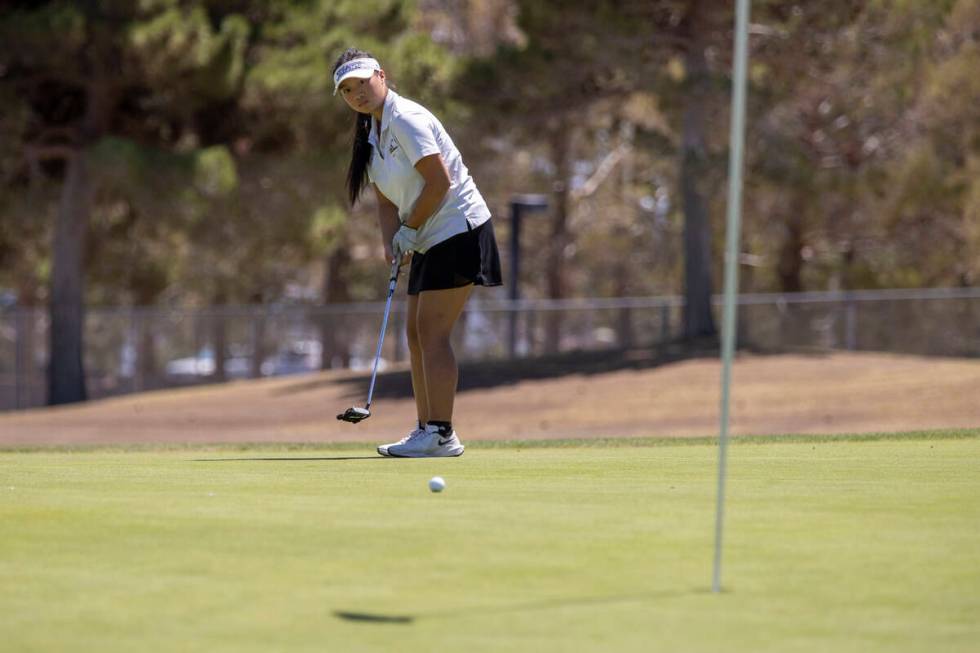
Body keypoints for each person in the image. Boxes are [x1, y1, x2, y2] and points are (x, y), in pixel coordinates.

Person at [332, 47, 502, 458]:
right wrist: (394, 245)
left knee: (432, 334)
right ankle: (427, 429)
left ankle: (441, 433)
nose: (357, 93)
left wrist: (409, 231)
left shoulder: (406, 118)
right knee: (415, 335)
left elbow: (439, 182)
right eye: (347, 90)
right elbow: (386, 202)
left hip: (458, 228)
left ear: (382, 76)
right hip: (426, 235)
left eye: (362, 83)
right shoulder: (370, 137)